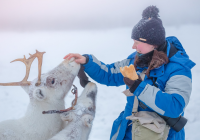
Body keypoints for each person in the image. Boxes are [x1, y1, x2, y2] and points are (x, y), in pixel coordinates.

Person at [63, 5, 195, 140]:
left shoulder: (179, 68)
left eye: (137, 42)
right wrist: (87, 62)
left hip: (162, 135)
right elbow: (109, 74)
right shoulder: (136, 60)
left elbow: (175, 106)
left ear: (153, 43)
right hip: (128, 132)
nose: (133, 46)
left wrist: (138, 87)